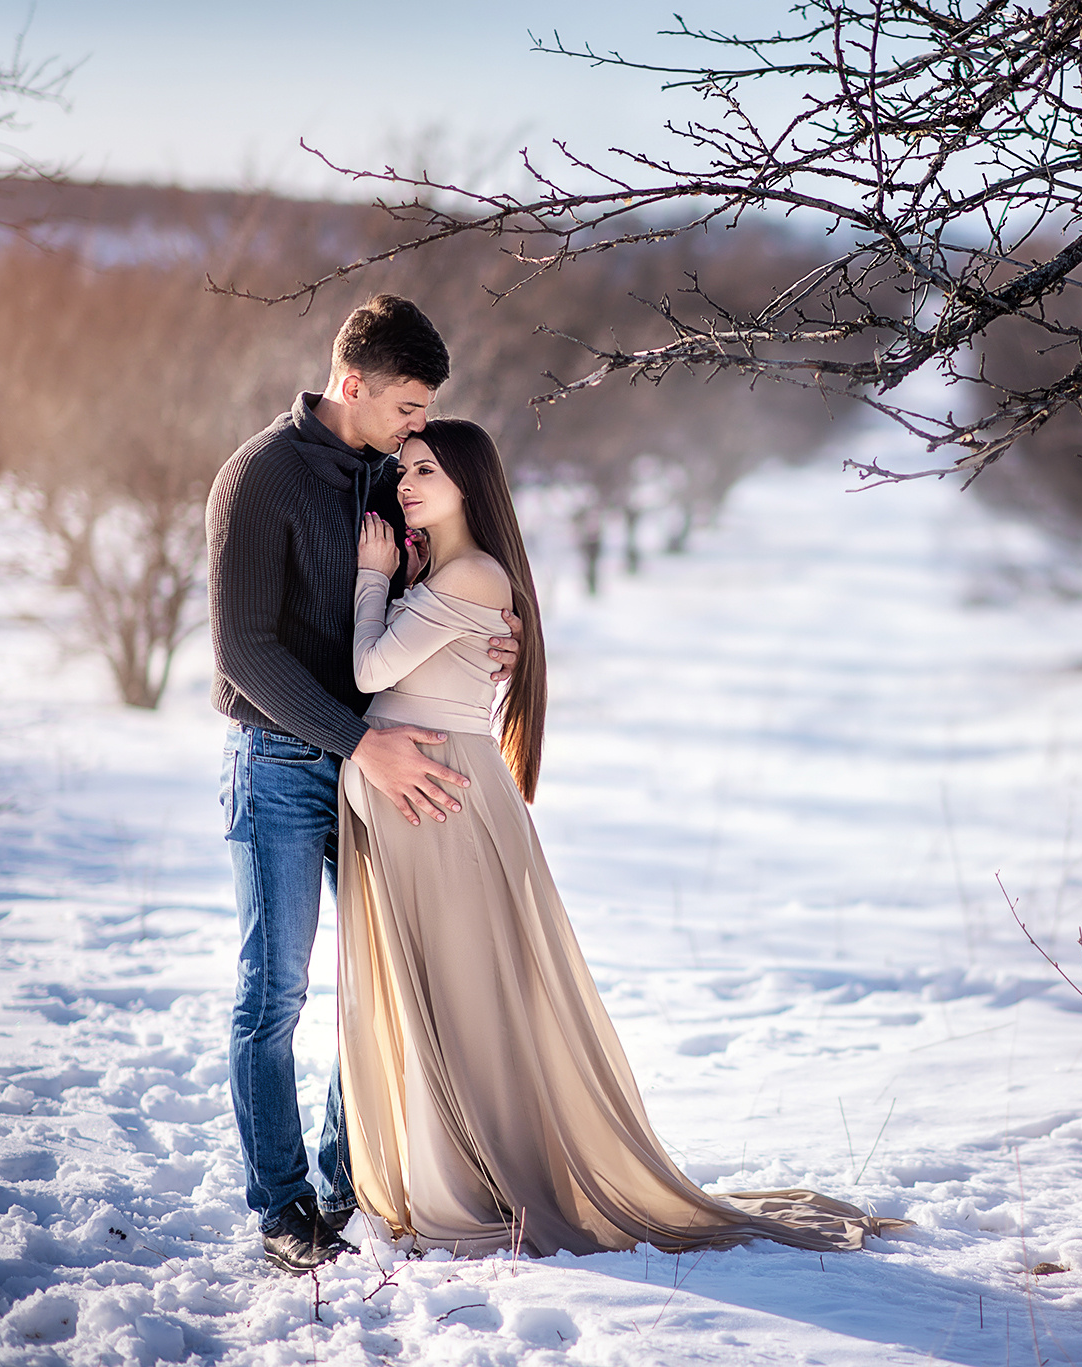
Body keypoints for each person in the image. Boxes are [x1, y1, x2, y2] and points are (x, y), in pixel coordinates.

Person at [335, 417, 899, 1256]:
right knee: (433, 998)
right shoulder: (445, 571)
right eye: (403, 470)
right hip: (413, 796)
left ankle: (482, 1176)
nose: (406, 484)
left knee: (464, 995)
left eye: (425, 470)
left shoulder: (477, 572)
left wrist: (372, 579)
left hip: (441, 801)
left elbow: (371, 670)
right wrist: (401, 578)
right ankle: (456, 1167)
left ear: (469, 484)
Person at [206, 296, 520, 1274]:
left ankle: (351, 1181)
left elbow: (444, 579)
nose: (417, 427)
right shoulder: (260, 476)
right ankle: (281, 1201)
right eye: (408, 406)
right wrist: (351, 741)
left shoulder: (396, 477)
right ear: (354, 385)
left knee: (379, 986)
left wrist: (488, 640)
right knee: (276, 992)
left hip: (381, 756)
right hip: (286, 765)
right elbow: (242, 651)